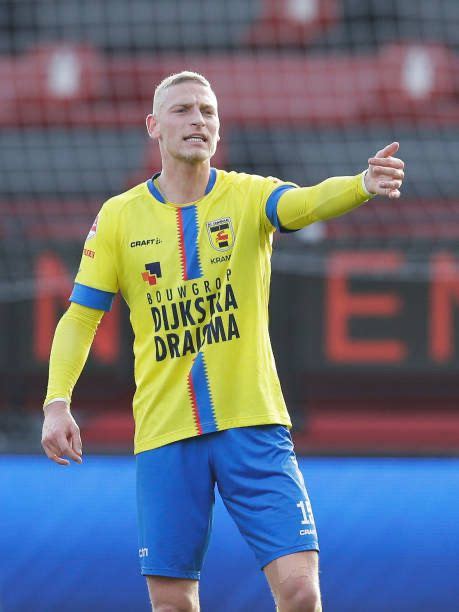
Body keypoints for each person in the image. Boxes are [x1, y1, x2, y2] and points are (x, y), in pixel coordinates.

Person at [41, 71, 405, 612]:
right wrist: (56, 402)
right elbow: (80, 317)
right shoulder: (118, 217)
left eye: (208, 111)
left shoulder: (248, 195)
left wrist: (360, 185)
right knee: (173, 604)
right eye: (184, 110)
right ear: (153, 127)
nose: (198, 120)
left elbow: (301, 204)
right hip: (166, 432)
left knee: (302, 592)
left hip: (253, 425)